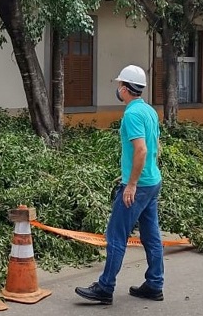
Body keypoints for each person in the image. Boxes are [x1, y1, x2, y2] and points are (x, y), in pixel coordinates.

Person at [75, 65, 163, 305]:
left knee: (116, 235)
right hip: (153, 181)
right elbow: (156, 146)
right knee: (151, 236)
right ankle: (154, 284)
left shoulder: (132, 114)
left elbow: (142, 149)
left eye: (118, 85)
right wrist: (137, 175)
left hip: (140, 186)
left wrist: (131, 184)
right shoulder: (149, 111)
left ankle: (105, 288)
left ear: (125, 89)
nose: (117, 88)